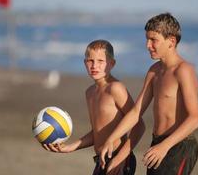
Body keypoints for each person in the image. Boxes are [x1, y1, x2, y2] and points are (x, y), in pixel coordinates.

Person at [100, 13, 198, 175]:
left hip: (179, 146)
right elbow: (135, 112)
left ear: (171, 41)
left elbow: (195, 119)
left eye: (153, 40)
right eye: (147, 39)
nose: (148, 45)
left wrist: (165, 146)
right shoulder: (154, 71)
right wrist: (111, 139)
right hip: (157, 143)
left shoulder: (184, 71)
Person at [43, 39, 145, 175]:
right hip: (101, 160)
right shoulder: (90, 93)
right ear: (85, 63)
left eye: (100, 61)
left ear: (111, 63)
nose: (94, 66)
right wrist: (70, 148)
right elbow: (97, 133)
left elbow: (139, 125)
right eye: (90, 61)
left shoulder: (115, 88)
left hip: (119, 159)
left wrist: (120, 159)